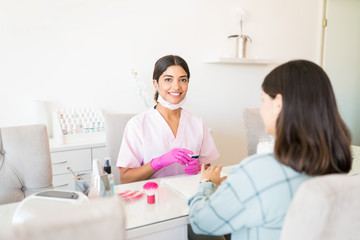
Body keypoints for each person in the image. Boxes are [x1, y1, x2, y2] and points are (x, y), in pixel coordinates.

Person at [188, 60, 352, 239]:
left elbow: (200, 222)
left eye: (263, 100)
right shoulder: (338, 164)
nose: (261, 109)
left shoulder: (257, 171)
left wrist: (206, 185)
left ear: (278, 103)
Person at [116, 55, 219, 184]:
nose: (176, 86)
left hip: (189, 196)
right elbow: (125, 178)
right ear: (155, 83)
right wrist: (158, 163)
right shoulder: (137, 124)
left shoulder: (197, 123)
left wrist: (199, 168)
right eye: (168, 79)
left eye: (183, 80)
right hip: (153, 199)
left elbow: (207, 168)